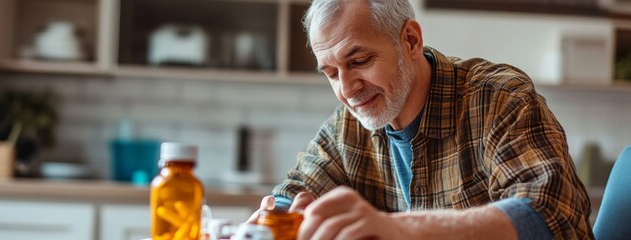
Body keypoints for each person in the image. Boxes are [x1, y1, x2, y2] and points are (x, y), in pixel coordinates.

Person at [247, 0, 593, 239]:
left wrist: (399, 229)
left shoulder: (499, 99)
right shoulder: (348, 127)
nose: (347, 89)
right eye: (332, 73)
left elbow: (549, 216)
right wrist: (274, 217)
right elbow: (295, 191)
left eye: (360, 60)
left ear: (410, 40)